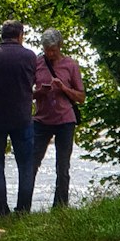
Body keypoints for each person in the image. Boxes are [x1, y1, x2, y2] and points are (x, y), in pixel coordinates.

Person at [0, 21, 37, 216]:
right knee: (26, 165)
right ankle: (23, 210)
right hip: (22, 117)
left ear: (2, 35)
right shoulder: (29, 56)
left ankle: (1, 211)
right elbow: (34, 82)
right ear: (20, 35)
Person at [32, 28, 85, 209]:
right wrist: (40, 91)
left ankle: (60, 207)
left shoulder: (71, 65)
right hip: (41, 120)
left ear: (60, 47)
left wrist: (64, 88)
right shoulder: (37, 64)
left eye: (53, 49)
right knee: (31, 163)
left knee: (62, 167)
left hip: (65, 120)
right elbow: (28, 94)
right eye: (47, 49)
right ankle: (24, 206)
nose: (50, 53)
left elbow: (81, 97)